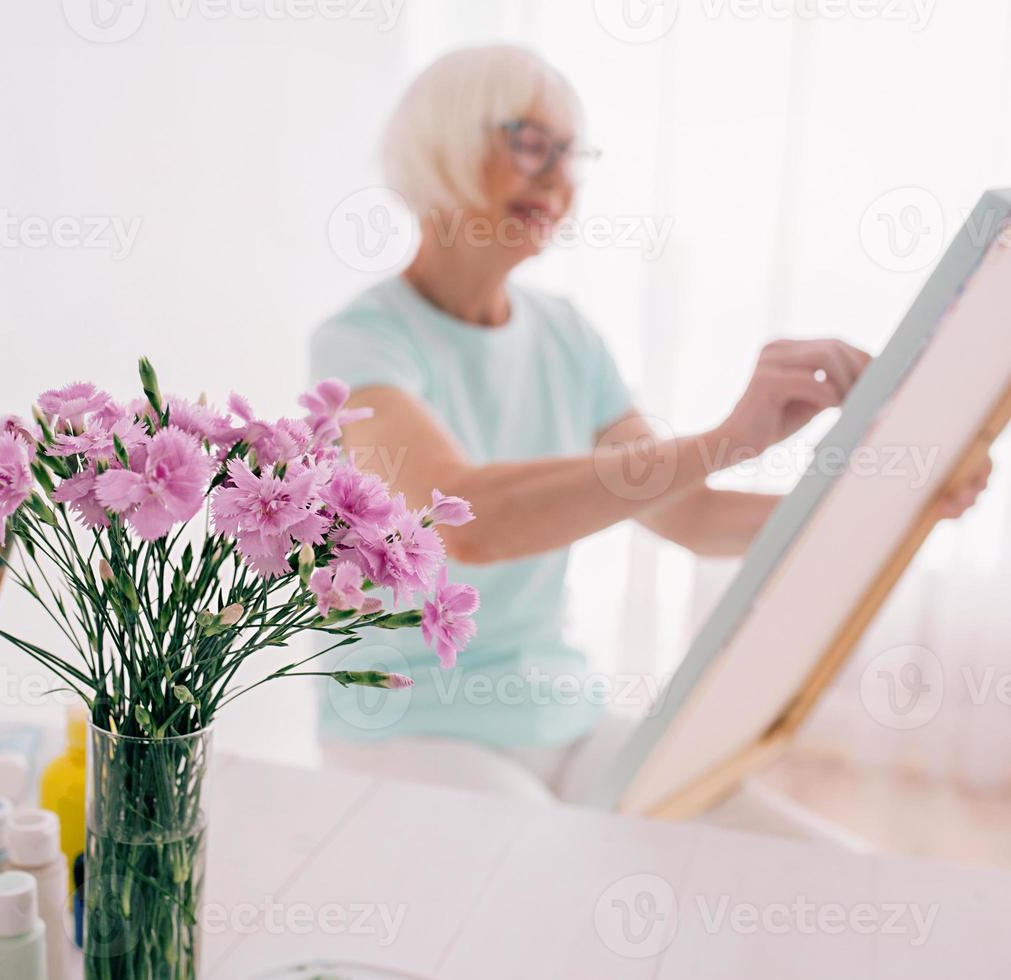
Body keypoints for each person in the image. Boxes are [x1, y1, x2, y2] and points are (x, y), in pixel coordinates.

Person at [310, 44, 992, 803]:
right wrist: (729, 440)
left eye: (570, 155)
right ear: (441, 143)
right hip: (411, 723)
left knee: (774, 849)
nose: (558, 179)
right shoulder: (361, 340)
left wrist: (894, 505)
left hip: (563, 715)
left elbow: (688, 513)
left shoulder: (566, 332)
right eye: (529, 145)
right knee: (543, 886)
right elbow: (464, 519)